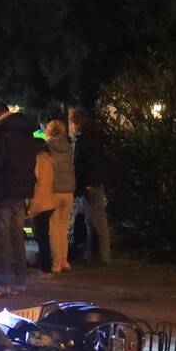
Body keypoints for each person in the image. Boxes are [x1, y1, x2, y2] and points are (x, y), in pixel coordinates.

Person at [0, 100, 36, 298]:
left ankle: (3, 284)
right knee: (17, 237)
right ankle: (20, 283)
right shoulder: (26, 132)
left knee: (2, 239)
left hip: (3, 191)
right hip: (22, 191)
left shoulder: (1, 133)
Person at [70, 107, 111, 265]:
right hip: (94, 181)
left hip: (91, 183)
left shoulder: (87, 138)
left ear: (77, 122)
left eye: (73, 123)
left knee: (97, 220)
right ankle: (91, 254)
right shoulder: (94, 135)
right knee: (91, 219)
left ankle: (103, 255)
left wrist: (83, 184)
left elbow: (83, 163)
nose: (72, 126)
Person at [45, 119, 74, 272]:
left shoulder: (48, 147)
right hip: (68, 190)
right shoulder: (69, 146)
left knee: (54, 228)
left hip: (54, 190)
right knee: (63, 228)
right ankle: (64, 260)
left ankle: (56, 262)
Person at [27, 138, 58, 276]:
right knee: (43, 236)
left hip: (39, 202)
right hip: (49, 201)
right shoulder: (50, 160)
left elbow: (33, 182)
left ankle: (46, 268)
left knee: (41, 237)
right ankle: (46, 265)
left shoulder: (37, 161)